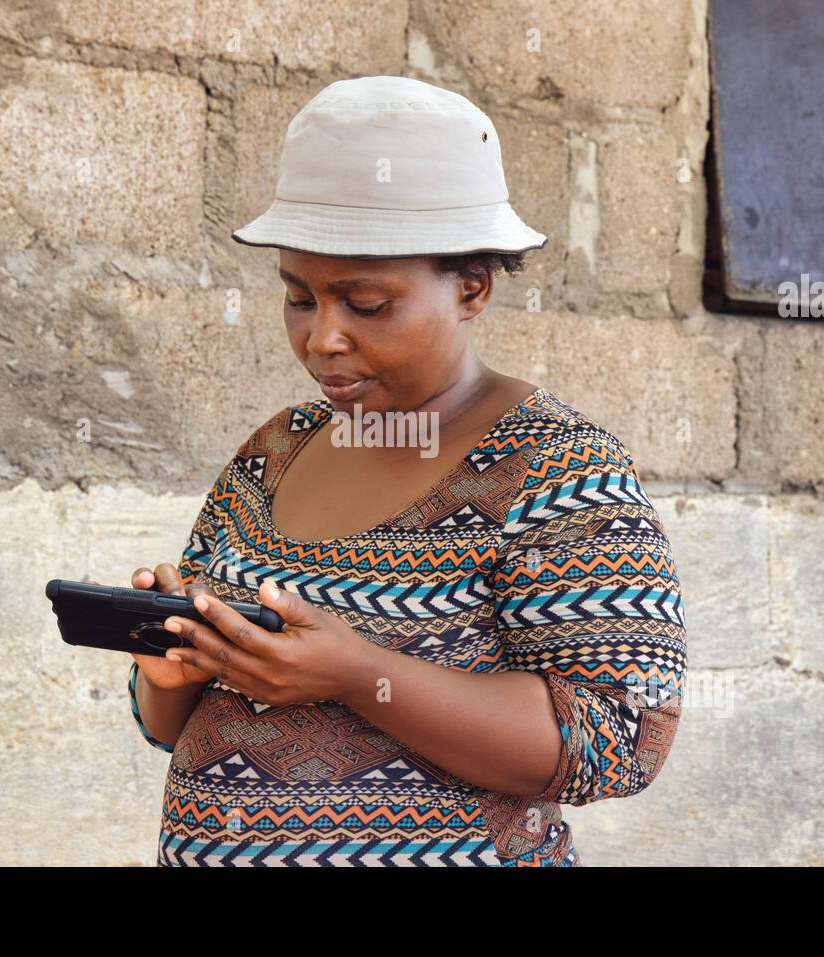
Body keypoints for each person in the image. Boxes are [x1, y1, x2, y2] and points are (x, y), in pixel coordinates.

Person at [125, 75, 687, 866]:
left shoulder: (558, 471)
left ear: (471, 287)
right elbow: (166, 723)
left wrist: (358, 673)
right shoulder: (274, 453)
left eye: (365, 304)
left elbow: (624, 738)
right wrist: (175, 667)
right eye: (299, 298)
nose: (322, 338)